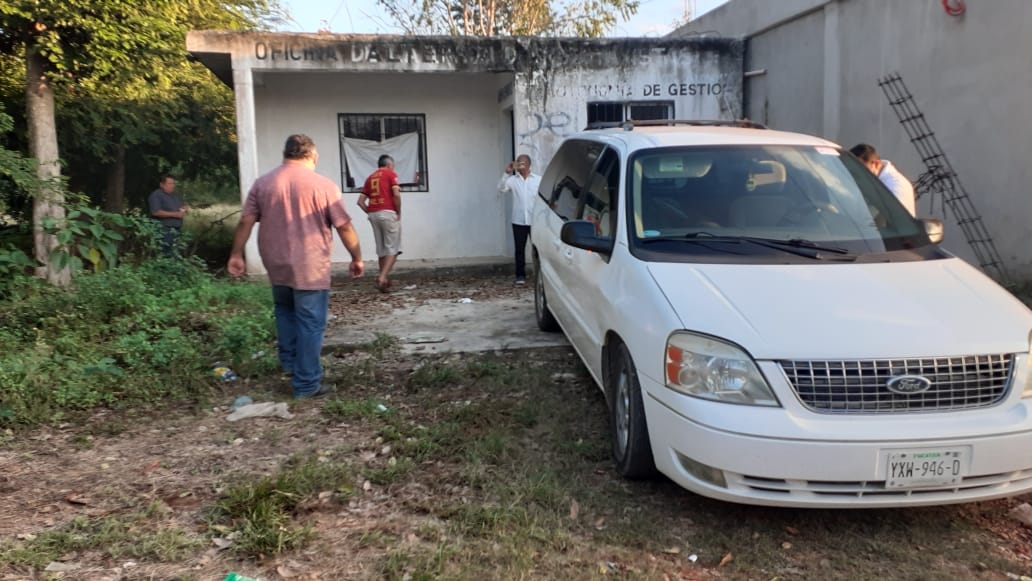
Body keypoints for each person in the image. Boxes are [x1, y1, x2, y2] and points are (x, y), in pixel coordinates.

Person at [227, 134, 364, 399]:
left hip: (276, 263)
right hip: (309, 265)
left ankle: (290, 365)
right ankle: (307, 383)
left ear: (286, 155)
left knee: (285, 311)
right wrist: (356, 256)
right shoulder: (323, 186)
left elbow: (246, 221)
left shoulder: (263, 183)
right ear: (313, 156)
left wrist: (236, 254)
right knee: (311, 323)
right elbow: (344, 225)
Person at [357, 154, 402, 293]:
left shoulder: (370, 178)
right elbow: (396, 194)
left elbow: (360, 202)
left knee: (382, 250)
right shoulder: (390, 174)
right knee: (394, 249)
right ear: (389, 165)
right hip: (388, 213)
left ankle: (384, 283)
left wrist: (371, 212)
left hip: (373, 214)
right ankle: (382, 277)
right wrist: (398, 211)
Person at [497, 154, 541, 284]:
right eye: (518, 162)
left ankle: (540, 274)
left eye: (522, 163)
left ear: (528, 164)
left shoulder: (538, 180)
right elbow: (500, 189)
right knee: (519, 249)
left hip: (535, 221)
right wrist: (506, 172)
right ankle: (520, 275)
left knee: (538, 249)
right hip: (518, 220)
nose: (519, 165)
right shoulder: (512, 180)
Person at [849, 143, 917, 216]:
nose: (858, 175)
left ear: (876, 164)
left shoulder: (895, 186)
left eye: (862, 170)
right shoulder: (873, 180)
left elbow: (884, 219)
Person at [148, 174, 189, 255]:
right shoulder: (156, 195)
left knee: (174, 254)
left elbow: (178, 208)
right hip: (164, 230)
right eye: (169, 183)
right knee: (165, 254)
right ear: (162, 184)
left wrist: (184, 208)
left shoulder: (174, 196)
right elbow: (156, 212)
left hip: (176, 230)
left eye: (173, 183)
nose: (172, 186)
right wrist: (175, 214)